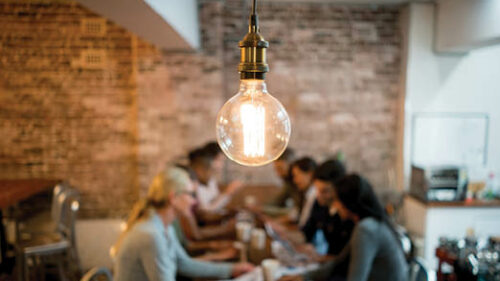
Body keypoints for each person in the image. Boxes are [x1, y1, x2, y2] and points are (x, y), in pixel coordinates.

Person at [113, 166, 254, 281]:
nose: (195, 201)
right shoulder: (151, 235)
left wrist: (232, 269)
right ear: (173, 197)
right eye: (191, 194)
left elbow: (184, 263)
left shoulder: (164, 226)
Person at [282, 174, 408, 281]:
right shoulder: (368, 223)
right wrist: (302, 277)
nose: (335, 205)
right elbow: (338, 263)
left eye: (337, 200)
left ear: (348, 203)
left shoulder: (366, 229)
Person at [302, 159, 354, 257]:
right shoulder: (320, 203)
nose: (319, 196)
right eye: (317, 189)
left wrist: (319, 259)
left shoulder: (349, 214)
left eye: (324, 191)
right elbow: (307, 233)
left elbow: (347, 259)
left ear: (339, 188)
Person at [189, 146, 242, 213]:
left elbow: (214, 203)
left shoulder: (211, 180)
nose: (222, 165)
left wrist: (229, 192)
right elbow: (205, 211)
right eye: (220, 160)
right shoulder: (192, 183)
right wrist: (227, 192)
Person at [290, 157, 317, 227]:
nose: (295, 180)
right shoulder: (306, 194)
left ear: (310, 174)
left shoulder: (314, 195)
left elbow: (303, 226)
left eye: (296, 175)